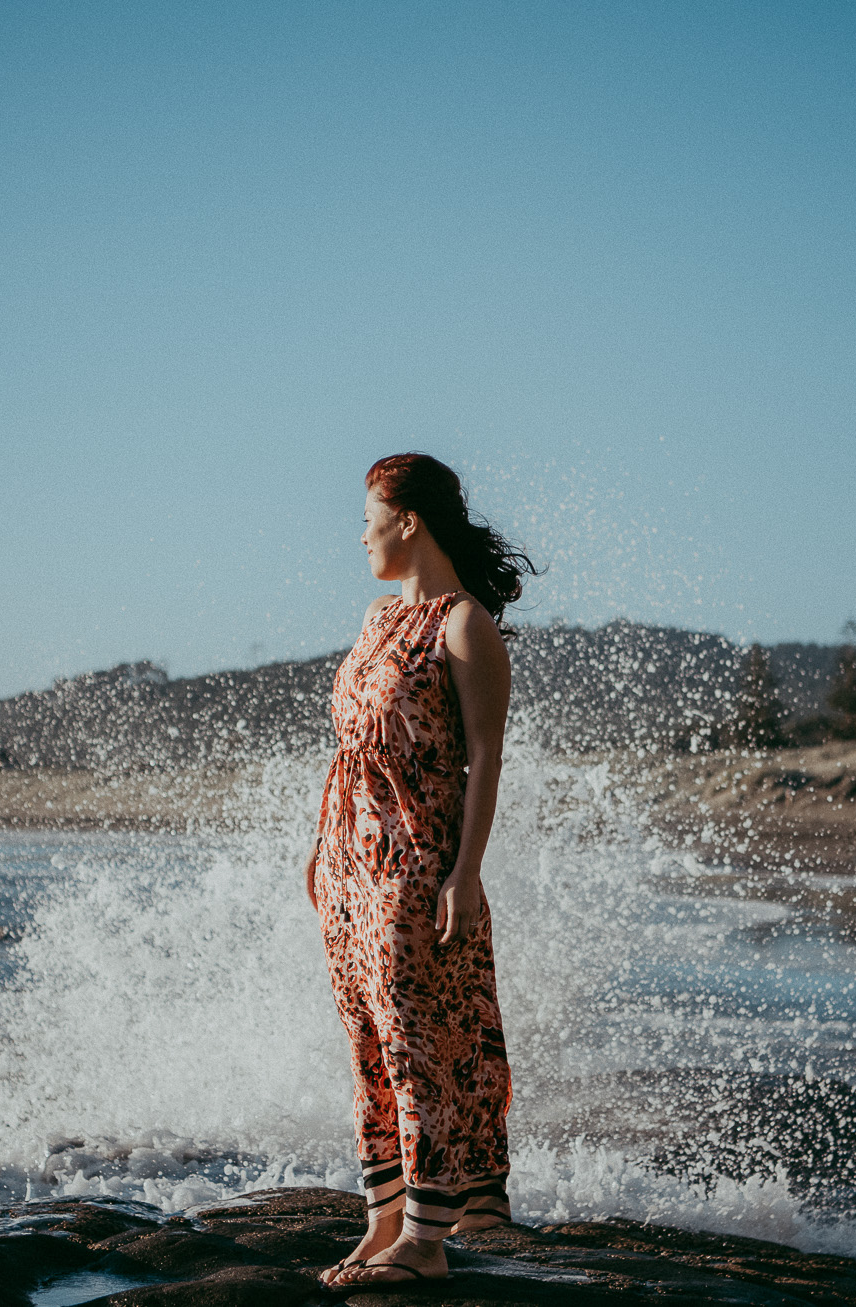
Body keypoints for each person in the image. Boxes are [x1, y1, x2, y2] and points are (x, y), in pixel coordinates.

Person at [307, 453, 537, 1290]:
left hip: (417, 862)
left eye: (368, 515)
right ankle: (384, 1219)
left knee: (417, 1043)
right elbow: (351, 750)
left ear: (407, 519)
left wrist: (465, 873)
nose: (360, 533)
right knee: (366, 1040)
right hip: (348, 864)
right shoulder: (374, 619)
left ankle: (430, 1239)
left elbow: (485, 759)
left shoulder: (463, 624)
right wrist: (324, 852)